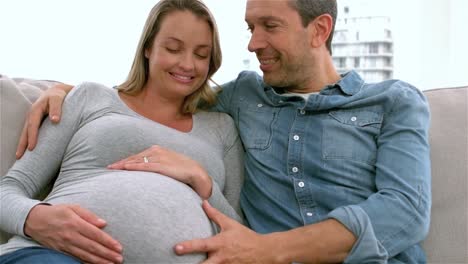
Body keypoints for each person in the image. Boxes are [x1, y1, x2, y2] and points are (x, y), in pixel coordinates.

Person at [14, 0, 432, 263]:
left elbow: (405, 212)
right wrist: (65, 91)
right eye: (250, 28)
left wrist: (267, 250)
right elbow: (161, 91)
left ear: (319, 30)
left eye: (270, 25)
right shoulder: (244, 98)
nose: (253, 44)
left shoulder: (392, 101)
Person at [0, 0, 245, 263]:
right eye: (173, 48)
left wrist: (202, 181)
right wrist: (34, 217)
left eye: (200, 54)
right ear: (148, 47)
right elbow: (9, 189)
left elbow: (241, 238)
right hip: (53, 255)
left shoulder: (222, 128)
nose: (187, 64)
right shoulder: (90, 97)